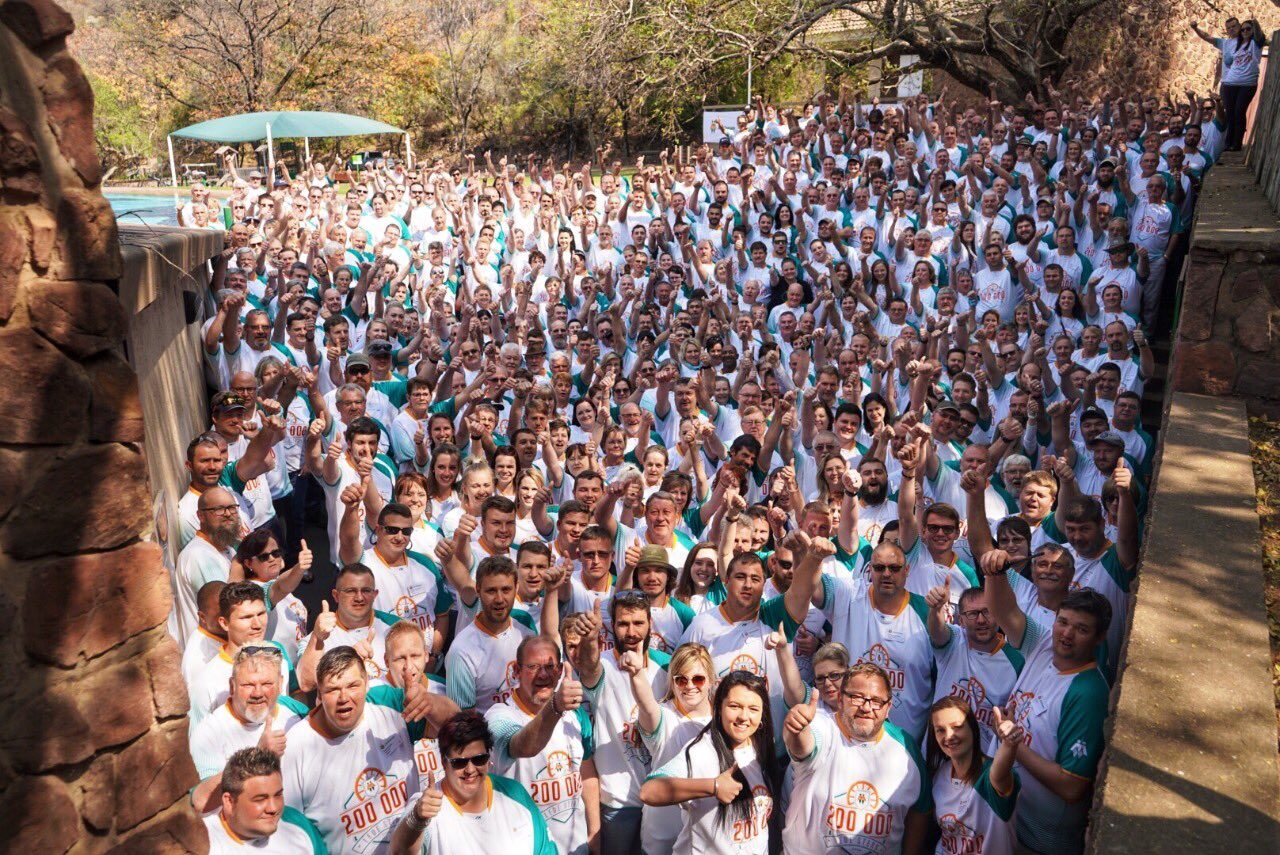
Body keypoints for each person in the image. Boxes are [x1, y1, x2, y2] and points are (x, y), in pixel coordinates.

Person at [982, 550, 1113, 854]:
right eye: (1063, 622)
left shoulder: (1087, 693)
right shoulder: (1043, 645)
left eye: (1081, 629)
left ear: (1099, 637)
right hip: (1008, 818)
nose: (1067, 634)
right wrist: (995, 574)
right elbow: (1004, 611)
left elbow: (1071, 785)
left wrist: (1012, 743)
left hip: (1040, 841)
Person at [282, 645, 438, 854]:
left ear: (366, 683)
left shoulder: (390, 710)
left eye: (352, 685)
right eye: (333, 689)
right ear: (319, 693)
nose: (343, 697)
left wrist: (430, 702)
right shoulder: (296, 746)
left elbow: (455, 728)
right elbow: (289, 832)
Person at [781, 663, 932, 853]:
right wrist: (797, 729)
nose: (866, 708)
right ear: (840, 699)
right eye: (857, 697)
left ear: (888, 707)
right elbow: (802, 746)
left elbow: (922, 808)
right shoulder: (821, 725)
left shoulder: (906, 748)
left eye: (876, 701)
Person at [640, 671, 779, 854]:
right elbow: (648, 791)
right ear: (719, 708)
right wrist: (713, 786)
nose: (744, 716)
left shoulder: (761, 747)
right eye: (735, 706)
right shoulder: (701, 752)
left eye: (753, 709)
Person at [485, 635, 598, 855]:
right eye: (533, 666)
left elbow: (587, 776)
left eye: (550, 666)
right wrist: (555, 707)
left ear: (560, 671)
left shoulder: (576, 714)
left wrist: (594, 837)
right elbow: (523, 746)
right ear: (516, 671)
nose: (543, 674)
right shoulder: (498, 718)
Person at [391, 710, 554, 854]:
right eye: (459, 762)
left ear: (488, 757)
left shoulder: (515, 794)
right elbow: (399, 851)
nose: (470, 770)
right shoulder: (425, 808)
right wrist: (417, 820)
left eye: (479, 759)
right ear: (443, 762)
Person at [626, 642, 715, 855]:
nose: (689, 686)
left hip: (705, 837)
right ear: (672, 683)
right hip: (662, 836)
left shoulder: (722, 718)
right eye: (681, 679)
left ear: (711, 680)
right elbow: (646, 705)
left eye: (698, 679)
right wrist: (636, 674)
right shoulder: (664, 716)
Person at [926, 697, 1023, 855]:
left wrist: (1008, 743)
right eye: (940, 730)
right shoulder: (941, 774)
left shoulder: (990, 776)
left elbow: (999, 773)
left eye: (957, 727)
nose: (949, 736)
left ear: (973, 728)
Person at [204, 747, 326, 853]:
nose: (273, 808)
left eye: (278, 795)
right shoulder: (202, 843)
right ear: (229, 802)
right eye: (260, 799)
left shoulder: (297, 824)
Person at [1192, 18, 1266, 151]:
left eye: (1247, 29)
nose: (1244, 31)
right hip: (1229, 83)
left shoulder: (1255, 43)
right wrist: (1195, 28)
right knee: (1230, 114)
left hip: (1247, 84)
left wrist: (1254, 22)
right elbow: (1208, 37)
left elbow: (1260, 36)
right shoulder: (1231, 44)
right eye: (1243, 29)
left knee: (1239, 111)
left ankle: (1237, 144)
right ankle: (1228, 143)